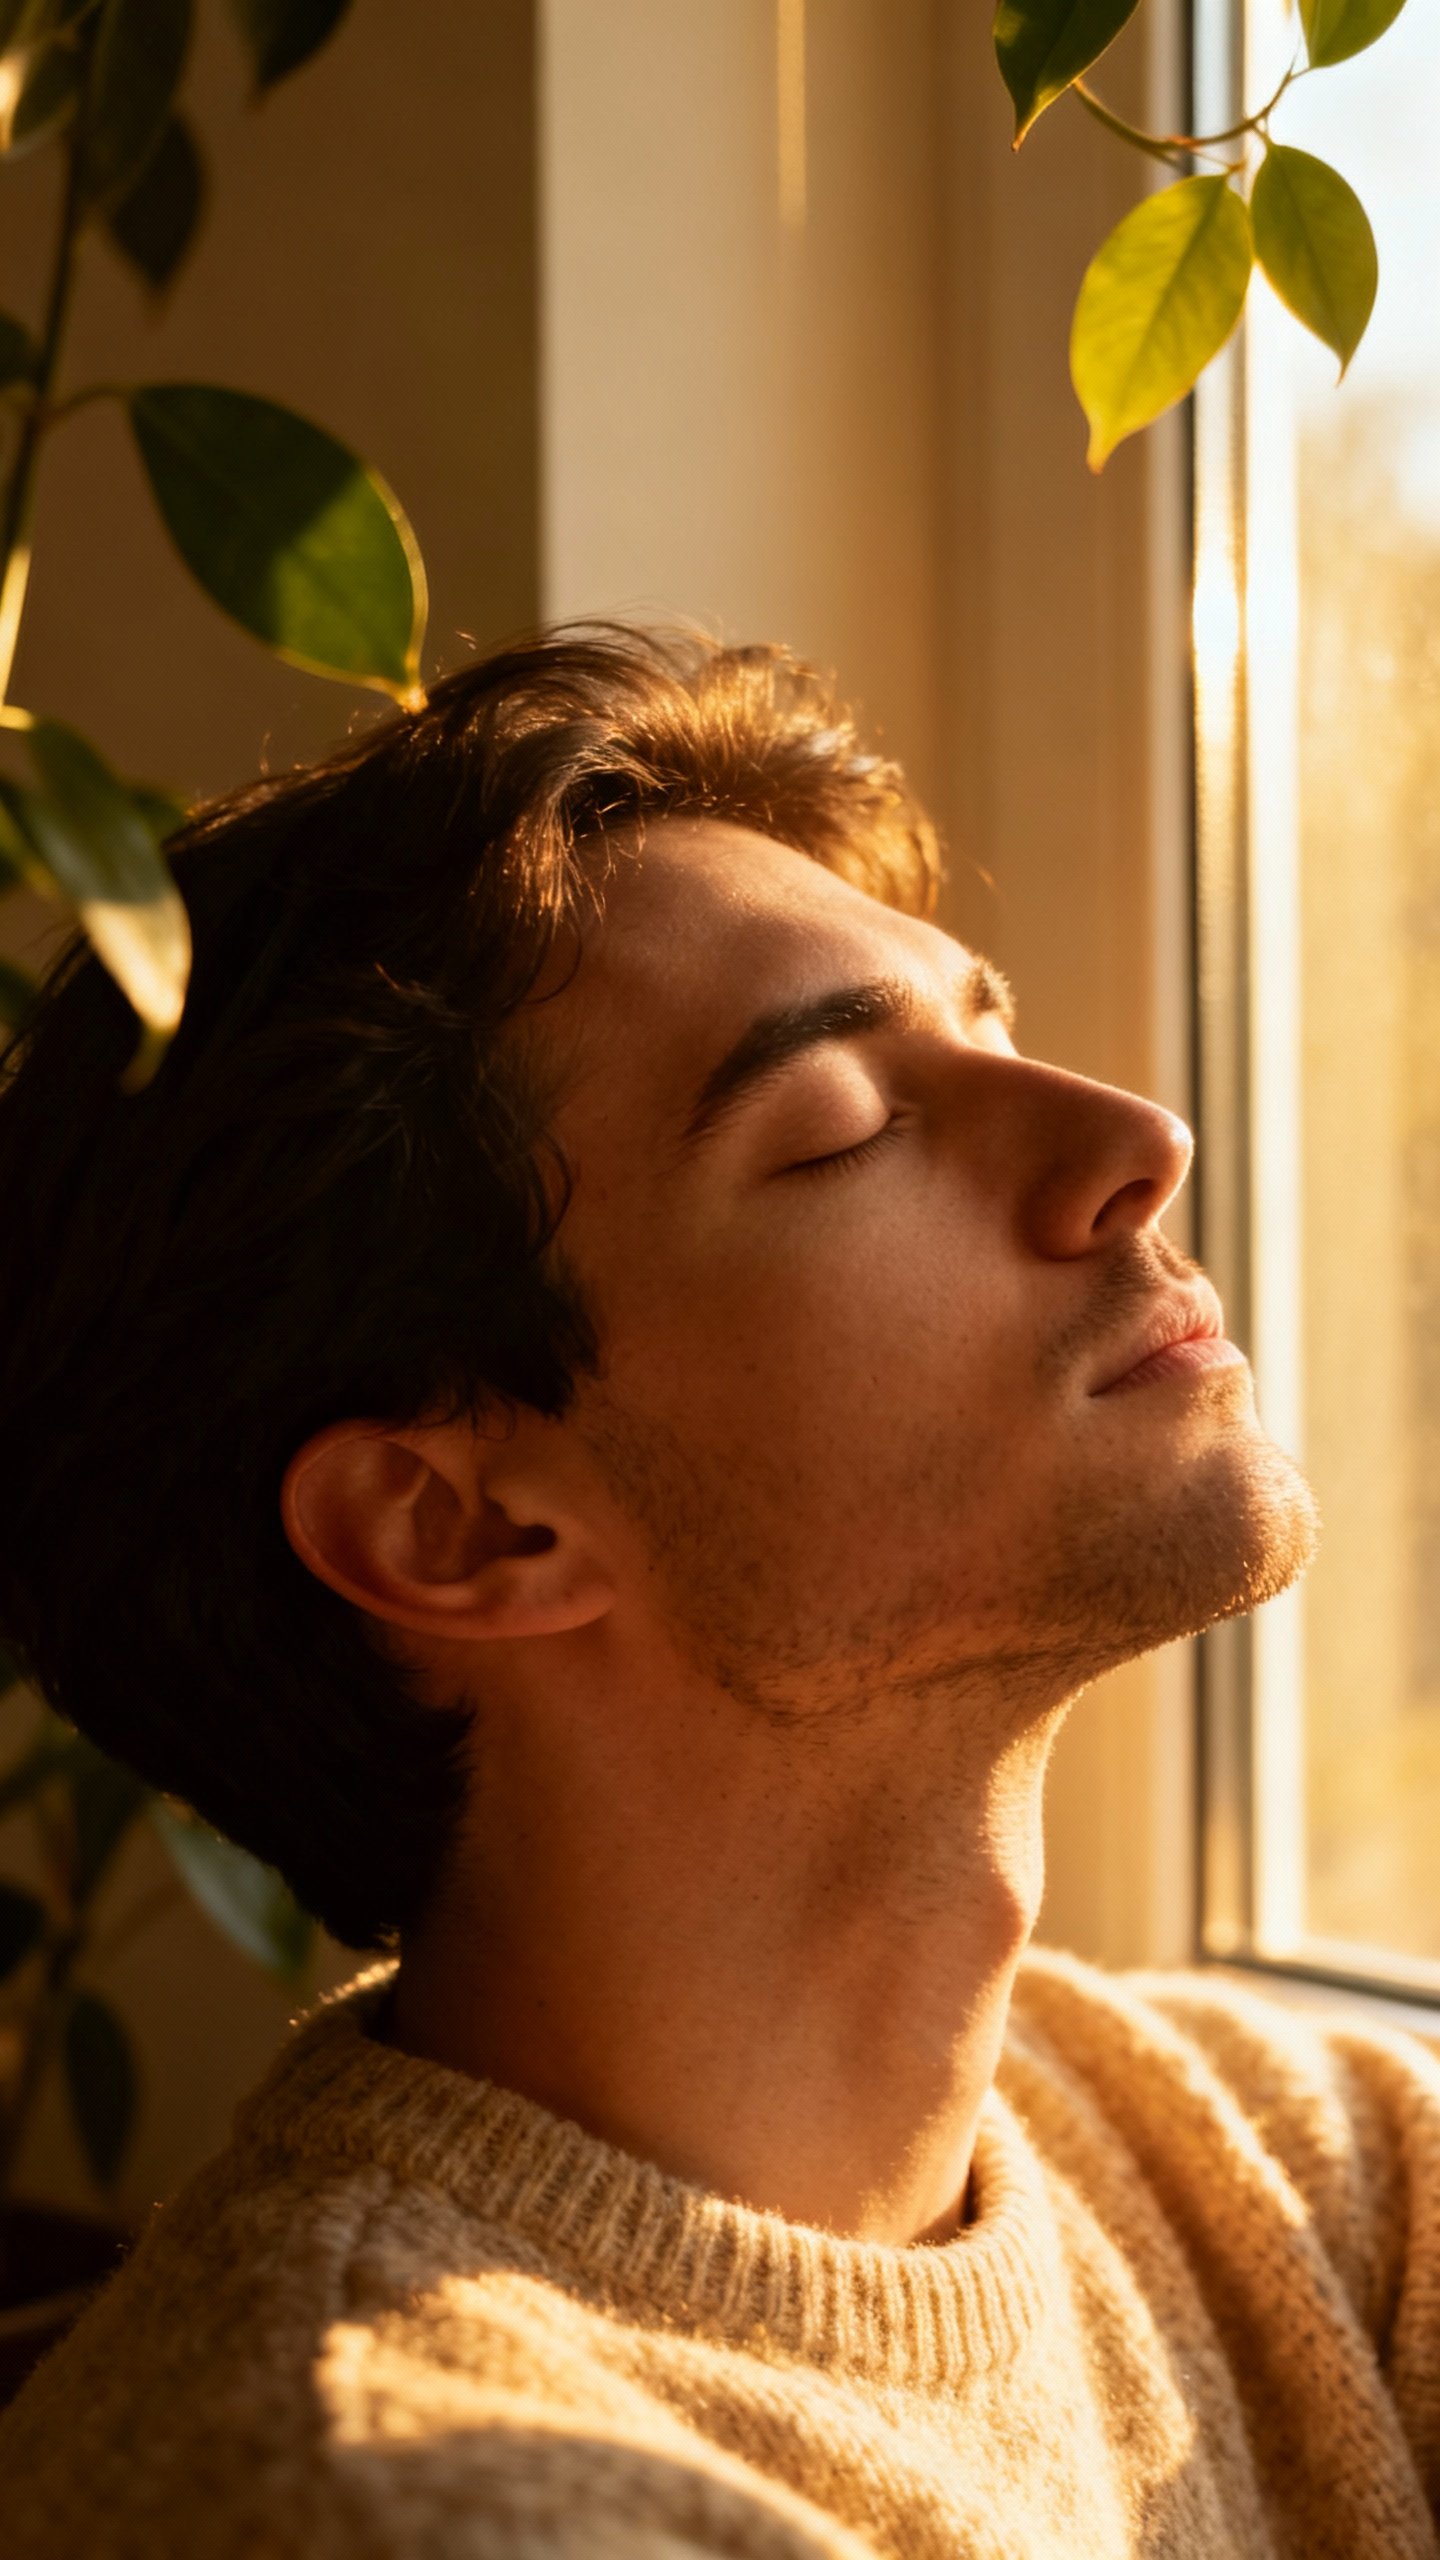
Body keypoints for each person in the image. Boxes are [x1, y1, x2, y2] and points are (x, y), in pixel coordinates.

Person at [0, 625, 1435, 2560]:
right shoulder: (389, 2493)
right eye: (844, 1128)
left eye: (990, 1038)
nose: (1134, 1146)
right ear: (463, 1529)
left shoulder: (1274, 2170)